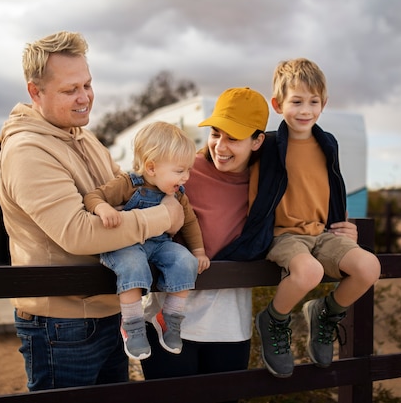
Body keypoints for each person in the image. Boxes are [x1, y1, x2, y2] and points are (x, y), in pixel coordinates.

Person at [0, 31, 184, 391]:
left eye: (87, 84)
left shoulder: (84, 136)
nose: (85, 97)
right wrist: (164, 217)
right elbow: (79, 232)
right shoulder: (27, 152)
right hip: (61, 324)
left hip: (109, 313)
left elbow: (124, 196)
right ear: (35, 92)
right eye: (70, 90)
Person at [140, 87, 360, 388]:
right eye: (216, 133)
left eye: (234, 138)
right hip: (167, 321)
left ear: (258, 141)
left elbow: (301, 223)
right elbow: (137, 200)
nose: (220, 146)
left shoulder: (270, 183)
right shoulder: (184, 170)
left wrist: (341, 228)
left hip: (231, 327)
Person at [253, 58, 381, 378]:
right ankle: (274, 319)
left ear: (323, 104)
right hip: (284, 235)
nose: (305, 110)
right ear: (278, 104)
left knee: (369, 267)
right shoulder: (267, 144)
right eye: (296, 101)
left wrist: (344, 222)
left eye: (313, 102)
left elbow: (333, 185)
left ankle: (325, 313)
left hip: (322, 233)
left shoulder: (328, 143)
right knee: (308, 272)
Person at [83, 121, 207, 361]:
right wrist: (102, 208)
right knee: (132, 264)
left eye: (188, 170)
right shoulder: (128, 184)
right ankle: (132, 324)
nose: (187, 177)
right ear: (151, 167)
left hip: (160, 244)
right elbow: (93, 196)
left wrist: (199, 251)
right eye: (180, 171)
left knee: (185, 261)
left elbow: (190, 222)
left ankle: (169, 317)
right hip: (127, 244)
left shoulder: (177, 193)